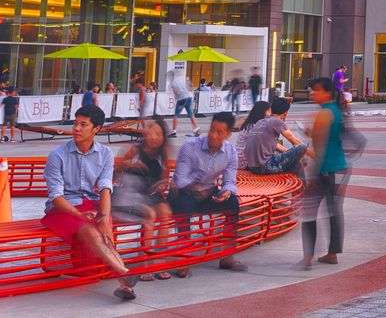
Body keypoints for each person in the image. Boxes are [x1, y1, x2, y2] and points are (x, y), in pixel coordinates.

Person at [42, 105, 134, 297]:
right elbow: (56, 196)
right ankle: (124, 274)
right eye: (75, 123)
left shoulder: (105, 154)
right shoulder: (57, 155)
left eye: (83, 124)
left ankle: (124, 284)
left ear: (96, 129)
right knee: (92, 231)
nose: (76, 128)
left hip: (91, 205)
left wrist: (105, 217)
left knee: (105, 232)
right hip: (61, 209)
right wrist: (78, 214)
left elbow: (105, 189)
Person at [172, 112, 248, 276]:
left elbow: (229, 181)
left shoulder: (230, 153)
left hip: (208, 193)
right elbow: (179, 181)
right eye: (212, 129)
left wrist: (226, 192)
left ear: (228, 134)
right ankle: (183, 257)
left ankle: (227, 256)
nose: (213, 135)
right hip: (185, 193)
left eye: (219, 132)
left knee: (233, 203)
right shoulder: (191, 146)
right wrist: (196, 187)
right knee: (184, 204)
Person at [114, 116, 173, 282]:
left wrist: (162, 184)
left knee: (165, 211)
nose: (153, 137)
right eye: (151, 132)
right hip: (128, 196)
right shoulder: (135, 151)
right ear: (146, 133)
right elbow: (113, 173)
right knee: (150, 214)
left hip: (149, 196)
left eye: (158, 134)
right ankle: (144, 261)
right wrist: (129, 165)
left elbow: (164, 179)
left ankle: (159, 258)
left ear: (163, 138)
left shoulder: (162, 154)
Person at [300, 77, 349, 269]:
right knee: (334, 210)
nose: (313, 93)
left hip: (326, 170)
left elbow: (319, 150)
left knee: (309, 209)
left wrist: (312, 172)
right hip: (340, 166)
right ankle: (332, 253)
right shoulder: (335, 110)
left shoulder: (323, 114)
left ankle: (308, 257)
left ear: (328, 92)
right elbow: (330, 137)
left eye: (317, 89)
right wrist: (314, 134)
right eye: (312, 89)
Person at [244, 98, 310, 178]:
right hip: (266, 166)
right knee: (302, 147)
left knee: (297, 163)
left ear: (271, 109)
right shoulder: (277, 122)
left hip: (253, 166)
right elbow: (295, 141)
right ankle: (302, 189)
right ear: (285, 113)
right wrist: (309, 153)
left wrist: (293, 155)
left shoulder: (260, 121)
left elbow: (275, 146)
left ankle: (300, 188)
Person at [235, 101, 273, 167]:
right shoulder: (254, 128)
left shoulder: (251, 125)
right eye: (269, 112)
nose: (270, 114)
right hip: (246, 163)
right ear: (261, 113)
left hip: (244, 162)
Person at [172, 72, 196, 137]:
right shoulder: (181, 81)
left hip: (182, 98)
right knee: (191, 114)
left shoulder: (173, 82)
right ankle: (196, 130)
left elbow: (175, 90)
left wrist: (176, 96)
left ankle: (174, 132)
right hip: (189, 97)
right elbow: (188, 88)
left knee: (176, 115)